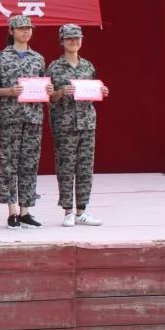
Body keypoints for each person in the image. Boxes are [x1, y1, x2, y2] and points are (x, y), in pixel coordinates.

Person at [0, 16, 52, 230]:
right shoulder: (1, 57)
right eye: (21, 28)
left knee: (30, 163)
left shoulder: (38, 58)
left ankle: (26, 211)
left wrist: (48, 90)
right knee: (9, 164)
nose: (26, 32)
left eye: (29, 28)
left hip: (33, 116)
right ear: (11, 31)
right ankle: (12, 211)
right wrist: (8, 91)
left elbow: (44, 85)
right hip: (10, 116)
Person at [47, 24, 109, 227]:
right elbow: (48, 96)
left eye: (77, 38)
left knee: (85, 167)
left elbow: (93, 90)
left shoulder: (87, 66)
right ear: (62, 41)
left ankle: (82, 210)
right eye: (70, 38)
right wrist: (60, 92)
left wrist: (102, 91)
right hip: (64, 123)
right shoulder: (54, 67)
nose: (74, 42)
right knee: (66, 166)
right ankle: (68, 211)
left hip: (87, 122)